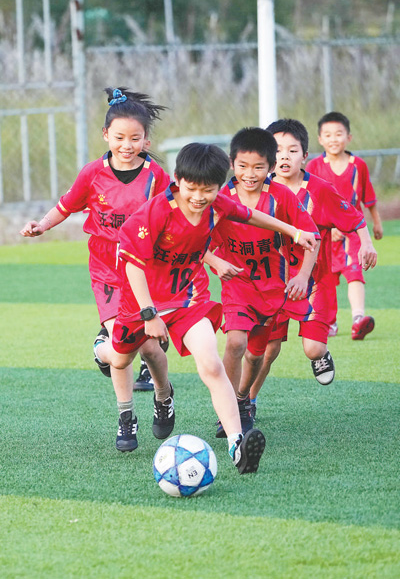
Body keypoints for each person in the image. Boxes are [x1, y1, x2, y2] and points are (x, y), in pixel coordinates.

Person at [94, 142, 318, 473]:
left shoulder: (217, 205)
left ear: (218, 186)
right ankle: (101, 349)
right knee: (120, 358)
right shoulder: (156, 212)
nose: (199, 197)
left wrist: (293, 231)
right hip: (142, 301)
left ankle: (237, 445)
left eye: (208, 190)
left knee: (212, 365)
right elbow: (132, 266)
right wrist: (149, 314)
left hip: (188, 298)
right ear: (177, 180)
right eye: (192, 188)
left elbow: (250, 215)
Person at [20, 87, 171, 452]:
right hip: (106, 269)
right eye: (119, 137)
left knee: (150, 349)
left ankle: (164, 396)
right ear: (106, 135)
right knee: (121, 351)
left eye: (134, 138)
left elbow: (172, 218)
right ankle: (126, 416)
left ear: (146, 140)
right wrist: (42, 225)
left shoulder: (156, 177)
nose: (126, 145)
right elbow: (65, 206)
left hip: (142, 271)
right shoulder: (92, 174)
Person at [245, 119, 377, 421]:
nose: (284, 157)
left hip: (315, 283)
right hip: (271, 284)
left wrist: (367, 243)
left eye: (293, 150)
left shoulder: (320, 190)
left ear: (305, 156)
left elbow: (354, 218)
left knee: (313, 349)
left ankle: (321, 355)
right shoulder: (257, 188)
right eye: (278, 150)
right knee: (267, 350)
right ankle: (247, 402)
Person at [206, 127, 321, 438]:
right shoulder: (219, 199)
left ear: (270, 167)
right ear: (231, 163)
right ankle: (228, 409)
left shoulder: (281, 197)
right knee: (235, 343)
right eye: (243, 166)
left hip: (271, 290)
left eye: (258, 167)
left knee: (256, 354)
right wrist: (216, 261)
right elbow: (196, 243)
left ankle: (243, 399)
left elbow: (312, 237)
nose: (249, 174)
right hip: (236, 286)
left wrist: (302, 275)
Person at [307, 111, 383, 340]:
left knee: (355, 273)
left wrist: (376, 222)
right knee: (326, 280)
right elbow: (308, 200)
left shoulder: (358, 165)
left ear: (348, 137)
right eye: (328, 134)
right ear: (320, 139)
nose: (334, 139)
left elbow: (368, 196)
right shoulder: (314, 166)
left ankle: (358, 318)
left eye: (339, 134)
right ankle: (329, 322)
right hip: (324, 234)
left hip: (353, 233)